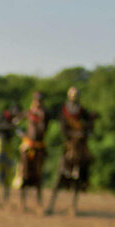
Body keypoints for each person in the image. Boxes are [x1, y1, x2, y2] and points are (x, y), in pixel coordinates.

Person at [45, 86, 95, 216]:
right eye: (73, 95)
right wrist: (74, 134)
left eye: (76, 95)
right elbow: (63, 128)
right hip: (70, 142)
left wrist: (89, 124)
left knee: (88, 159)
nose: (74, 97)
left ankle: (84, 180)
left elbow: (88, 123)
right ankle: (51, 205)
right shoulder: (64, 110)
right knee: (61, 170)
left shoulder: (82, 110)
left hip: (81, 143)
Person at [15, 91, 48, 211]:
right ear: (33, 101)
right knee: (24, 171)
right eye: (36, 100)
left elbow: (44, 128)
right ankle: (22, 203)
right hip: (28, 144)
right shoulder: (28, 113)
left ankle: (39, 203)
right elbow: (16, 123)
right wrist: (21, 134)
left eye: (40, 100)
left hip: (39, 146)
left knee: (39, 174)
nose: (38, 103)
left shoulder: (45, 114)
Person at [0, 105, 20, 208]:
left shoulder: (15, 121)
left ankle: (6, 198)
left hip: (9, 145)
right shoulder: (2, 116)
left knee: (8, 171)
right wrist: (8, 126)